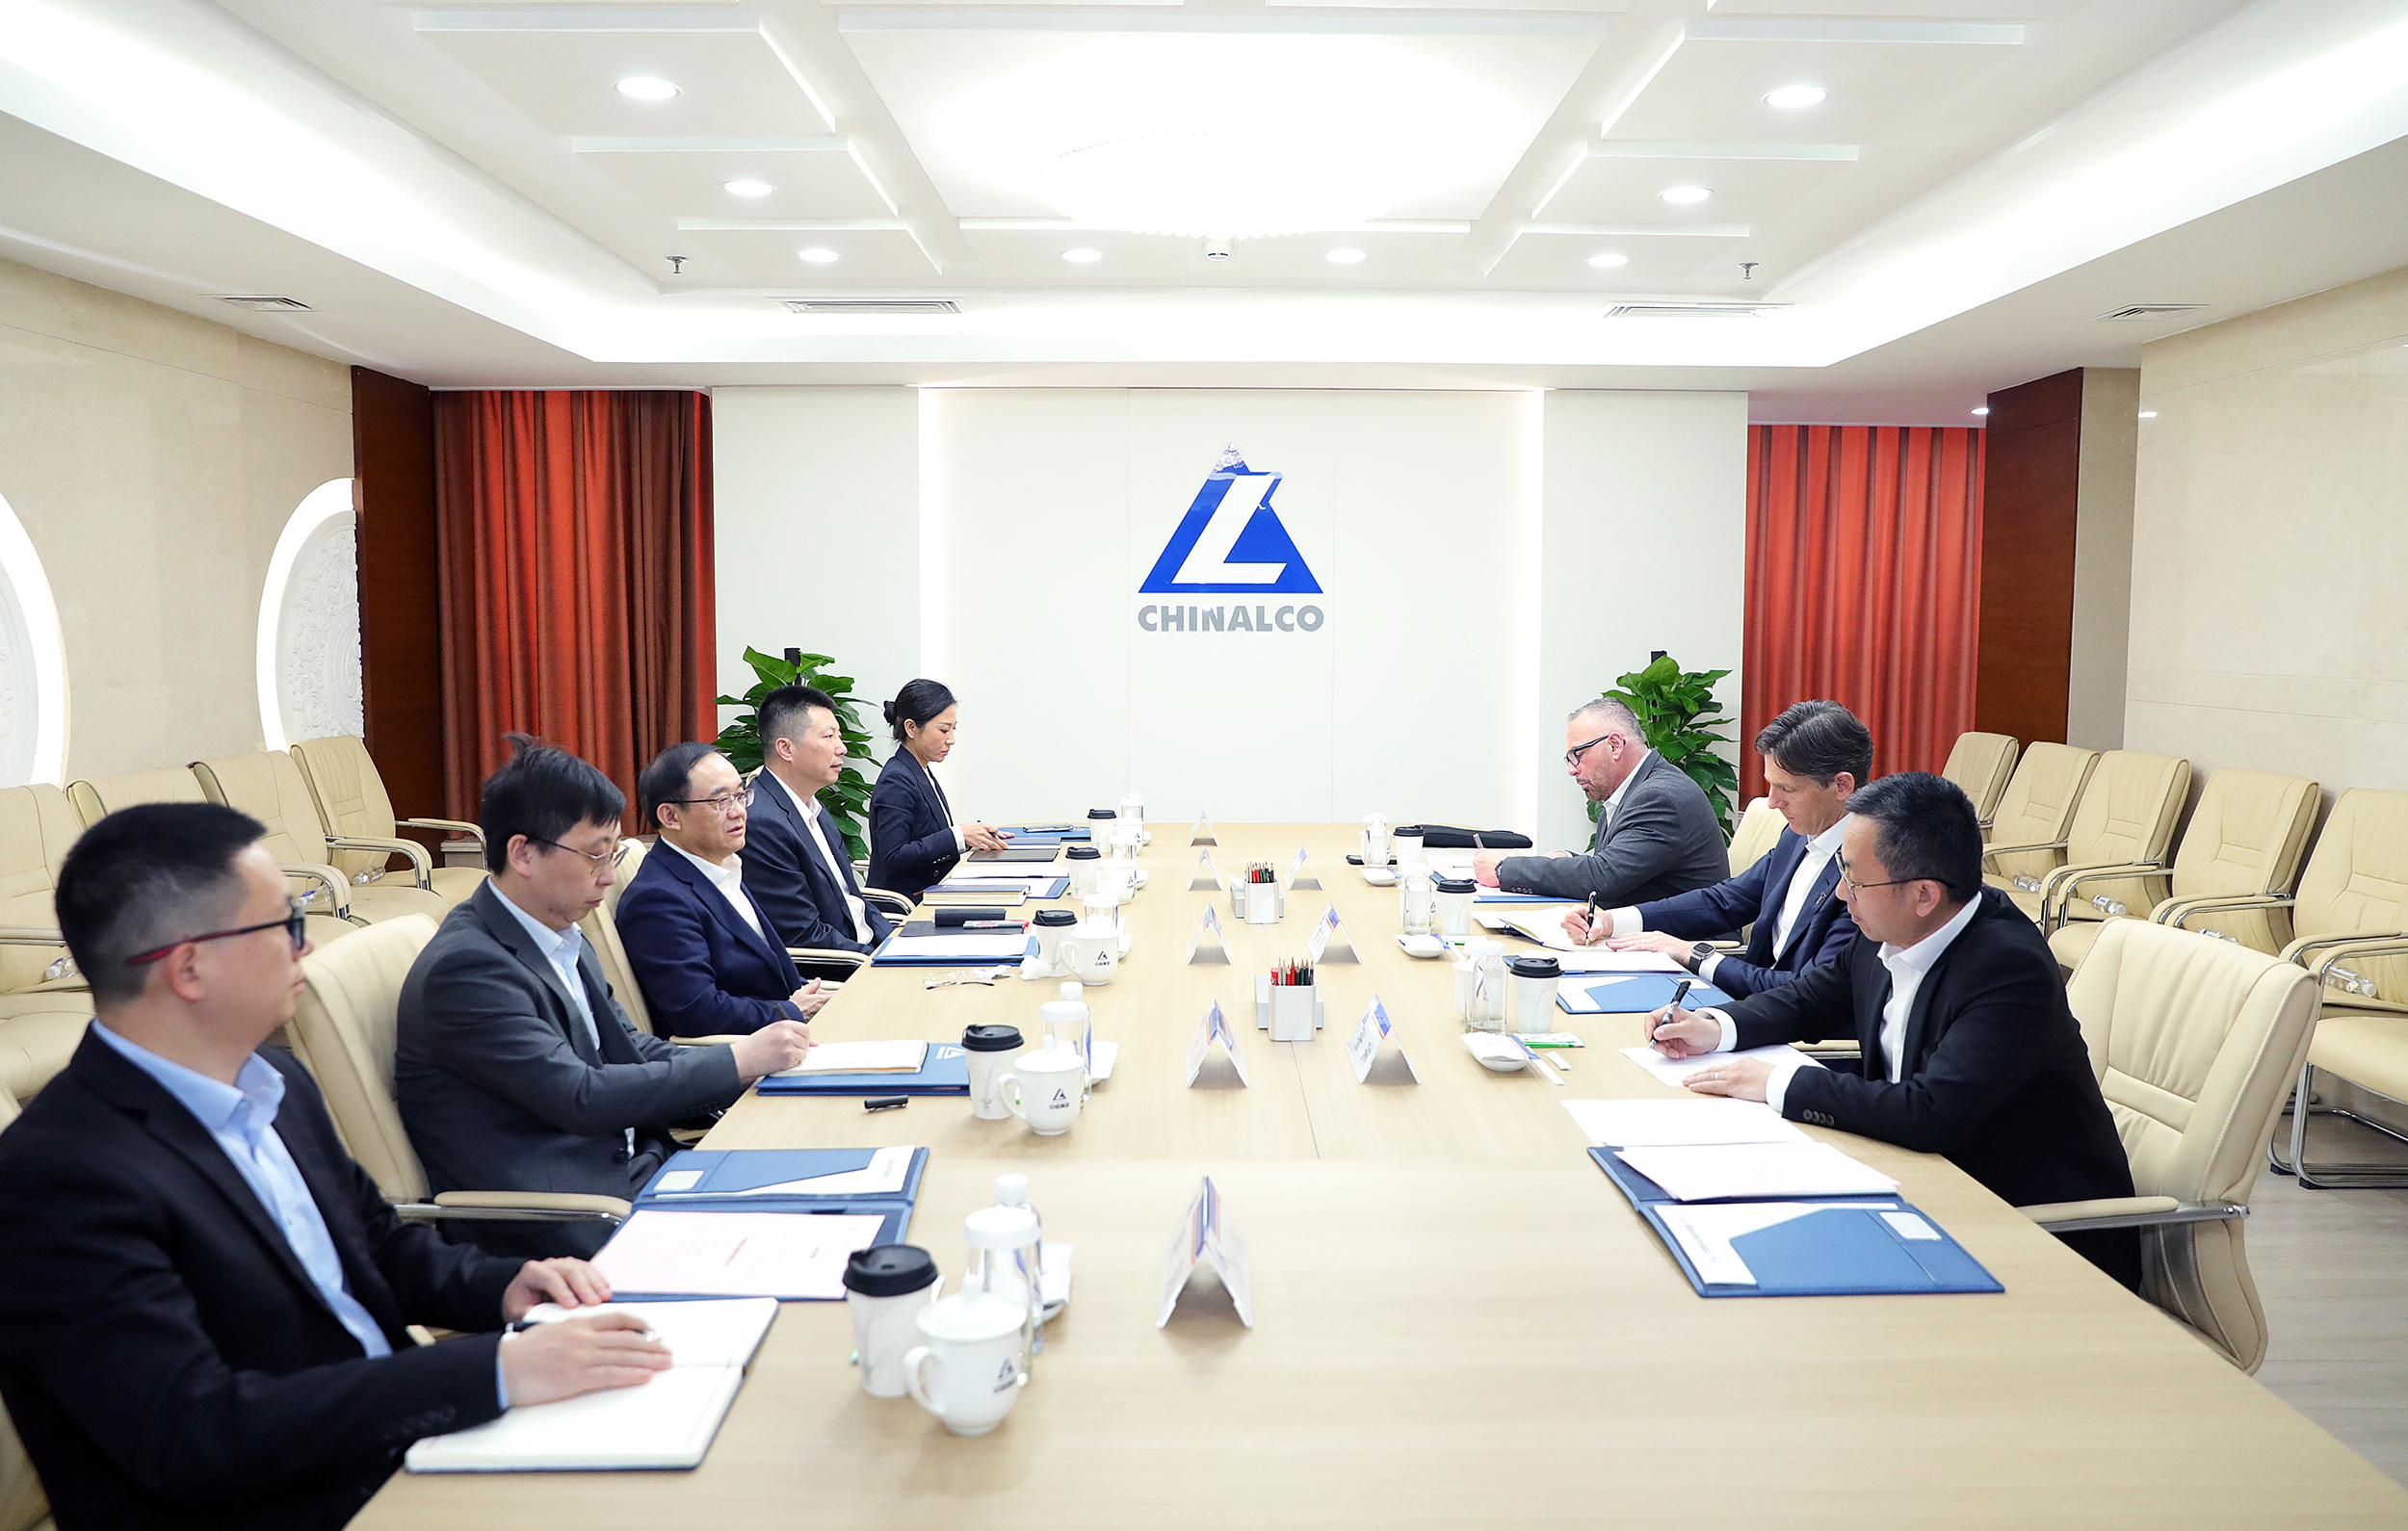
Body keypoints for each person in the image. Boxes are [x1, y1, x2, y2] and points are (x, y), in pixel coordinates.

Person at [0, 802, 671, 1531]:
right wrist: (495, 1371)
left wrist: (507, 1287)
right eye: (286, 925)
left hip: (393, 1446)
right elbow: (194, 1432)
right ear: (190, 967)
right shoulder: (60, 1177)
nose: (309, 946)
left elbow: (379, 1245)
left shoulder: (274, 1083)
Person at [1646, 771, 2141, 1288]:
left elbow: (1932, 1112)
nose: (1842, 893)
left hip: (2029, 1234)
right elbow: (1810, 999)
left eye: (1855, 879)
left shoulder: (2008, 968)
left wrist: (1776, 1082)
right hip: (1920, 1184)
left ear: (1924, 894)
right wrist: (1714, 1026)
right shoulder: (1889, 925)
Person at [397, 737, 813, 1259]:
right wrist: (738, 1060)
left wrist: (753, 1063)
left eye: (613, 853)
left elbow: (631, 1047)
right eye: (595, 855)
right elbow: (581, 1096)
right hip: (572, 1221)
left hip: (642, 1168)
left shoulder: (559, 929)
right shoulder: (467, 969)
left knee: (819, 1189)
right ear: (522, 853)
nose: (611, 875)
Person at [1561, 699, 1868, 999]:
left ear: (1842, 786)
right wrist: (1612, 921)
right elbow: (1723, 901)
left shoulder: (1867, 875)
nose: (1772, 803)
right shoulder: (1798, 836)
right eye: (1771, 786)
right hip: (1748, 1001)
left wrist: (1694, 954)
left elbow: (1809, 992)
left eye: (1787, 788)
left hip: (1787, 1021)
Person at [615, 741, 830, 1038]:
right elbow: (698, 1013)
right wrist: (791, 1010)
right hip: (753, 1050)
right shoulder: (657, 901)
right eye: (721, 801)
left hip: (791, 1030)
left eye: (740, 796)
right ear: (670, 817)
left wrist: (812, 998)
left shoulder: (723, 866)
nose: (739, 811)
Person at [1475, 697, 1726, 904]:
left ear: (1615, 745)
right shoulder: (1628, 791)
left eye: (1578, 755)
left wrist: (1504, 869)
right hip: (1642, 932)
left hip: (1682, 942)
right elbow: (1617, 868)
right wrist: (1567, 858)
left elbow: (1603, 878)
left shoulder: (1659, 797)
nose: (1572, 770)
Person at [741, 685, 896, 955]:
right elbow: (802, 935)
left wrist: (896, 943)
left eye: (839, 736)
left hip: (865, 950)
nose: (842, 748)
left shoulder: (814, 808)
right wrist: (877, 958)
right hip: (841, 966)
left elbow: (854, 900)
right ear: (786, 748)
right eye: (828, 736)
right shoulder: (762, 824)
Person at [866, 678, 1010, 901]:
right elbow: (894, 856)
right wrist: (959, 836)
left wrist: (975, 836)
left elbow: (929, 836)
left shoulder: (918, 769)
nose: (951, 740)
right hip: (911, 905)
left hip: (935, 891)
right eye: (944, 730)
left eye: (953, 729)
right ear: (911, 728)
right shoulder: (896, 779)